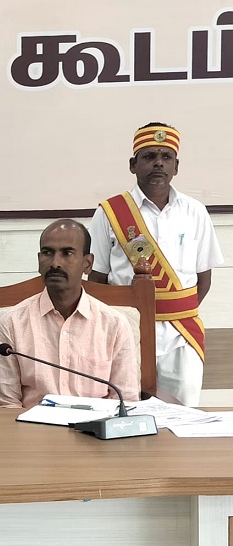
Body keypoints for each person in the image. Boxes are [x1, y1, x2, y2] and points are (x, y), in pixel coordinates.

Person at [88, 122, 224, 406]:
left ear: (176, 166)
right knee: (126, 411)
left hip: (181, 336)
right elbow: (97, 280)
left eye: (166, 157)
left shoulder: (195, 211)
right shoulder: (110, 213)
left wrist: (172, 310)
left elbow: (204, 279)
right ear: (133, 164)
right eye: (149, 156)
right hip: (126, 332)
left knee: (183, 414)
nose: (158, 163)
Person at [0, 219, 140, 408]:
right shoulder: (12, 323)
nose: (55, 263)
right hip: (30, 425)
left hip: (95, 425)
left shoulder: (114, 325)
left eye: (67, 253)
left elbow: (125, 400)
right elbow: (6, 404)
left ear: (87, 264)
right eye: (47, 253)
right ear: (39, 261)